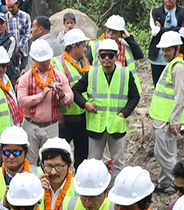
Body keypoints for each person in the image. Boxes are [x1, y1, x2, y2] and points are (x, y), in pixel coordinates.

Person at [74, 38, 140, 180]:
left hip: (116, 125)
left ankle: (117, 187)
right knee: (94, 162)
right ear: (98, 57)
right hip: (96, 125)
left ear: (116, 57)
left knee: (118, 162)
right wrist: (85, 104)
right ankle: (95, 187)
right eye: (103, 55)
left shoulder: (125, 74)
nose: (106, 59)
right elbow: (75, 91)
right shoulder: (91, 73)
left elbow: (135, 97)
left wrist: (124, 114)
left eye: (110, 55)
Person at [17, 39, 72, 166]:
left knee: (50, 160)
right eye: (42, 61)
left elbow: (70, 98)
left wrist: (62, 95)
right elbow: (22, 101)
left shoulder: (59, 76)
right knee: (29, 161)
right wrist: (41, 96)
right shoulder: (25, 78)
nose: (46, 63)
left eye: (48, 60)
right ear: (34, 60)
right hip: (31, 125)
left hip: (51, 126)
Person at [149, 32, 184, 194]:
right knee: (169, 152)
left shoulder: (178, 67)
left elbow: (181, 96)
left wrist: (174, 120)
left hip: (167, 119)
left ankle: (180, 182)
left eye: (168, 50)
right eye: (163, 50)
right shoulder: (173, 64)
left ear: (177, 49)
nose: (164, 53)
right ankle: (165, 183)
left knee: (162, 154)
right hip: (163, 117)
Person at [56, 28, 93, 165]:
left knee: (82, 154)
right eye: (83, 46)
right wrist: (59, 116)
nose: (85, 49)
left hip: (83, 117)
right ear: (74, 47)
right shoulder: (58, 64)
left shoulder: (85, 62)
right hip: (65, 120)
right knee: (60, 154)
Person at [0, 126, 41, 206]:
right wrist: (4, 203)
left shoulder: (38, 176)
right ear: (1, 152)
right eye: (7, 152)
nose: (11, 157)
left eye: (16, 152)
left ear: (25, 152)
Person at [88, 15, 145, 89]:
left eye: (114, 32)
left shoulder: (125, 46)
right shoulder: (95, 46)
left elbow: (139, 55)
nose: (110, 34)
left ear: (121, 34)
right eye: (109, 30)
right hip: (100, 86)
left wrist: (129, 38)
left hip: (122, 85)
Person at [148, 0, 184, 84]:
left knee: (178, 84)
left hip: (177, 57)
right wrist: (177, 28)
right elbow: (155, 32)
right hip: (158, 59)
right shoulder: (155, 12)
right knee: (158, 86)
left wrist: (162, 29)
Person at [39, 138, 75, 210]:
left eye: (58, 167)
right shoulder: (35, 187)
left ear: (69, 165)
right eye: (48, 166)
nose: (53, 172)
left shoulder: (76, 190)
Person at [4, 0, 33, 76]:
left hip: (24, 51)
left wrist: (19, 48)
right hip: (10, 52)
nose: (10, 9)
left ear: (17, 4)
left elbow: (27, 34)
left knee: (25, 72)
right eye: (8, 7)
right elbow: (6, 35)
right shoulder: (6, 17)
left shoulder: (26, 16)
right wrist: (14, 49)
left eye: (12, 7)